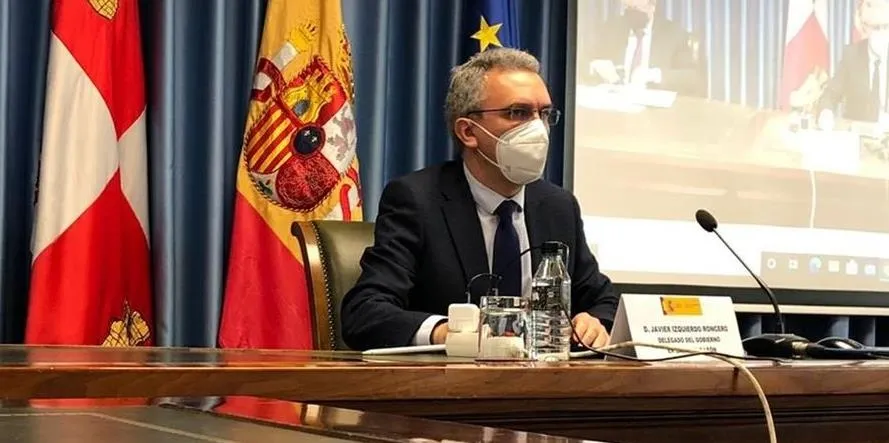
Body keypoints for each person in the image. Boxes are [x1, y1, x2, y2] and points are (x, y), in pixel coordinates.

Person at [341, 48, 618, 351]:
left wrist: (594, 320)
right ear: (468, 131)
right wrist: (448, 333)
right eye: (518, 113)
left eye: (545, 114)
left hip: (544, 390)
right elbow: (364, 313)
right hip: (447, 387)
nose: (538, 129)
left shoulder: (557, 206)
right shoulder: (417, 200)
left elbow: (604, 300)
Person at [582, 0, 706, 97]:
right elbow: (579, 62)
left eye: (637, 9)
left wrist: (655, 75)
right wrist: (594, 66)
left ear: (652, 6)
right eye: (628, 9)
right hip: (614, 107)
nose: (631, 17)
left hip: (655, 116)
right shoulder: (612, 28)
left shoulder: (674, 33)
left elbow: (693, 78)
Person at [818, 0, 889, 123]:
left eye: (886, 27)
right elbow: (830, 95)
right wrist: (826, 113)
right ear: (865, 28)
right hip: (857, 135)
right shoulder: (852, 55)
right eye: (876, 28)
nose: (883, 33)